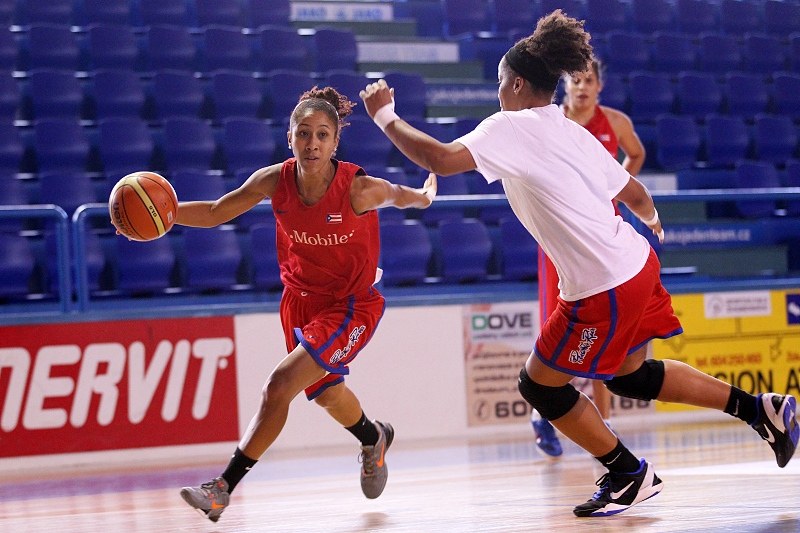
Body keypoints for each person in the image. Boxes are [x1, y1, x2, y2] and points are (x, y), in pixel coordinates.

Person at [359, 10, 798, 517]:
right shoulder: (573, 132)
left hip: (602, 285)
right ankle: (761, 410)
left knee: (538, 384)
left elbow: (439, 159)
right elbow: (636, 193)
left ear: (516, 84)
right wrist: (653, 218)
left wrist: (385, 117)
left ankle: (627, 473)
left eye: (500, 82)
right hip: (636, 263)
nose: (498, 92)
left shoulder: (510, 125)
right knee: (630, 375)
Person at [176, 86, 438, 522]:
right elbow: (216, 211)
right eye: (303, 133)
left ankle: (222, 488)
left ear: (335, 142)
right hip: (299, 302)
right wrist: (166, 214)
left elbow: (396, 193)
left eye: (321, 135)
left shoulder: (357, 189)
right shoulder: (273, 180)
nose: (311, 143)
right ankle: (373, 437)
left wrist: (423, 195)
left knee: (279, 386)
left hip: (350, 306)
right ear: (289, 138)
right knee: (327, 394)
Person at [531, 58, 647, 457]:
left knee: (605, 325)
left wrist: (616, 188)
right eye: (575, 80)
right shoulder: (550, 123)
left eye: (588, 80)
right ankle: (542, 414)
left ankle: (605, 419)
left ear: (600, 86)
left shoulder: (615, 122)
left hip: (602, 234)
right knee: (555, 321)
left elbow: (636, 154)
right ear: (564, 86)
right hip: (561, 234)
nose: (581, 87)